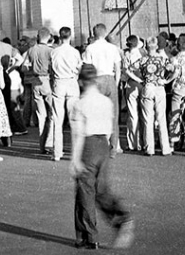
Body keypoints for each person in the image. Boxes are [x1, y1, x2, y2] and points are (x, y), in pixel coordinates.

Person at [69, 64, 134, 250]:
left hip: (88, 145)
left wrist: (74, 159)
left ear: (81, 81)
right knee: (101, 189)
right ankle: (121, 215)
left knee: (85, 191)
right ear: (96, 80)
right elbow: (110, 126)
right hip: (103, 144)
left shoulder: (79, 104)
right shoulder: (106, 101)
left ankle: (88, 237)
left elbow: (78, 134)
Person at [126, 37, 176, 157]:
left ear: (146, 47)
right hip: (159, 88)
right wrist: (167, 80)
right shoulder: (163, 59)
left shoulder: (142, 60)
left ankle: (149, 148)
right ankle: (165, 148)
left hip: (147, 87)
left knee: (148, 119)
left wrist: (139, 79)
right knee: (161, 118)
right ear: (157, 46)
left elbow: (128, 70)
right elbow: (175, 70)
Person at [80, 23, 123, 152]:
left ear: (94, 34)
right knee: (114, 113)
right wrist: (116, 82)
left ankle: (99, 143)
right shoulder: (113, 48)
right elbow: (118, 68)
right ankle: (114, 146)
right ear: (105, 33)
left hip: (96, 80)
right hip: (110, 78)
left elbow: (87, 67)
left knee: (96, 113)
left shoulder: (90, 48)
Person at [19, 27, 54, 154]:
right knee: (52, 113)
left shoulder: (31, 50)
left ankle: (41, 145)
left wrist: (33, 70)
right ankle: (49, 142)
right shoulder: (51, 51)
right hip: (47, 81)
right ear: (48, 37)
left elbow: (23, 67)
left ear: (38, 36)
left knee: (41, 115)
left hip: (35, 81)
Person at [49, 27, 82, 161]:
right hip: (71, 81)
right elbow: (79, 68)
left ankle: (57, 152)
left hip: (59, 82)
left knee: (57, 118)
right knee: (74, 118)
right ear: (70, 36)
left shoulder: (54, 52)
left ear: (59, 36)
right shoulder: (75, 52)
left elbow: (51, 68)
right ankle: (76, 152)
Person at [121, 35, 144, 152]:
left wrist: (133, 78)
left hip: (131, 84)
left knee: (132, 114)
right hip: (143, 84)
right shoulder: (142, 54)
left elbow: (126, 71)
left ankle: (133, 143)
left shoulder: (127, 55)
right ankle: (144, 141)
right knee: (143, 113)